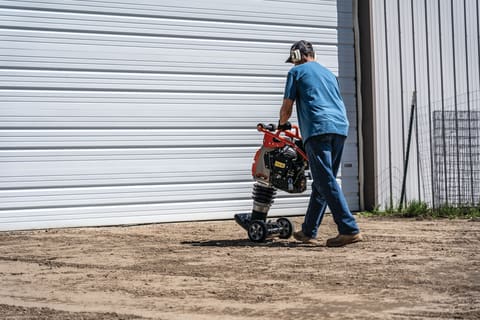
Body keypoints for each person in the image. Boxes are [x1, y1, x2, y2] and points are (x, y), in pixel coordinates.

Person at [279, 40, 362, 247]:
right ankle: (308, 231)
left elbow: (287, 106)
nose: (293, 64)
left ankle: (348, 228)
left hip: (318, 129)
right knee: (324, 180)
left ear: (297, 57)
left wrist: (282, 126)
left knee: (324, 180)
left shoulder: (296, 73)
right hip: (340, 127)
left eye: (294, 60)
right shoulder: (328, 74)